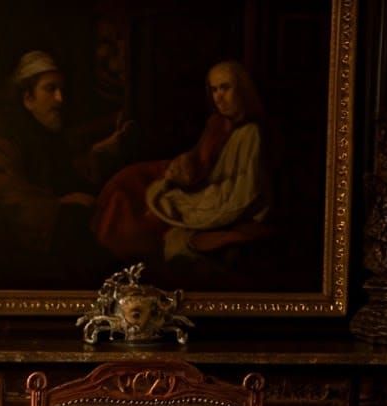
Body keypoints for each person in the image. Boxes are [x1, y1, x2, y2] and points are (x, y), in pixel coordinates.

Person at [0, 51, 130, 285]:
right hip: (12, 251)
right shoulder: (1, 140)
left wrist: (100, 152)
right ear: (27, 97)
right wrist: (61, 206)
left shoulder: (39, 131)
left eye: (61, 90)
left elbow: (64, 165)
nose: (60, 99)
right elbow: (12, 201)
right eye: (50, 89)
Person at [92, 60, 271, 268]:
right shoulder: (217, 123)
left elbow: (240, 193)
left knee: (145, 214)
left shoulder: (251, 134)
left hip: (213, 196)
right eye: (214, 90)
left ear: (242, 90)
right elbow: (201, 162)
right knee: (126, 189)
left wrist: (183, 194)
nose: (219, 97)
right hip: (197, 186)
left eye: (225, 88)